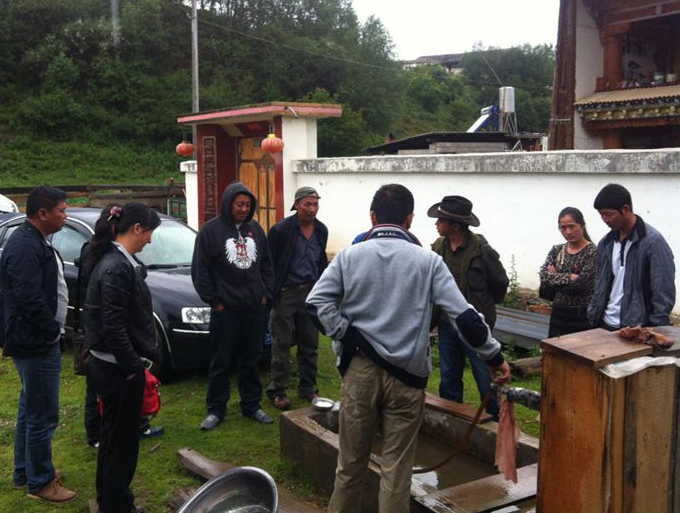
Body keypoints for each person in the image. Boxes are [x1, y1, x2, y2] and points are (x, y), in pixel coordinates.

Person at [306, 184, 510, 513]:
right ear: (410, 219)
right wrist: (494, 356)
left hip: (359, 372)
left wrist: (346, 333)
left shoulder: (349, 256)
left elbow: (316, 304)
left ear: (373, 217)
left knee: (350, 466)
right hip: (408, 379)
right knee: (397, 470)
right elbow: (465, 317)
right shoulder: (429, 261)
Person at [0, 186, 75, 503]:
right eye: (61, 210)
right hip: (35, 342)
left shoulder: (35, 239)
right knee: (43, 415)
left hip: (36, 338)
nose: (65, 215)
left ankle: (25, 471)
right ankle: (40, 482)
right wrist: (52, 331)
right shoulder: (25, 246)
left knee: (30, 409)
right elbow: (29, 298)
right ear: (42, 213)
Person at [83, 203, 161, 513]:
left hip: (113, 366)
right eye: (149, 233)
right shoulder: (115, 266)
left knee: (113, 438)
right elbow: (113, 326)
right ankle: (116, 505)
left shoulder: (117, 261)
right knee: (122, 443)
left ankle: (110, 499)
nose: (150, 241)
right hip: (116, 369)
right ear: (137, 228)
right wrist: (133, 369)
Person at [192, 181, 275, 431]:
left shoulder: (256, 230)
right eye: (239, 204)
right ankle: (216, 409)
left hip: (254, 308)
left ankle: (251, 405)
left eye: (247, 205)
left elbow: (267, 265)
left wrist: (265, 295)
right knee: (221, 360)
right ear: (228, 203)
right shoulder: (210, 231)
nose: (243, 209)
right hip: (225, 310)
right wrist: (215, 301)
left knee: (252, 358)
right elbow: (200, 270)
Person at [428, 195, 509, 422]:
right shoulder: (438, 248)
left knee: (485, 377)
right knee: (449, 377)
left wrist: (485, 306)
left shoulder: (482, 250)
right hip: (447, 325)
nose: (436, 224)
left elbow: (500, 282)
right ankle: (450, 422)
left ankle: (496, 424)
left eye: (441, 220)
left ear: (455, 225)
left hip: (474, 326)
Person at [265, 186, 329, 410]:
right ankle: (278, 390)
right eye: (307, 204)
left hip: (310, 292)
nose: (312, 209)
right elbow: (269, 263)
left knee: (310, 342)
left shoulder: (321, 230)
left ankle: (308, 387)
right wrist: (271, 292)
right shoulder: (281, 230)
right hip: (286, 292)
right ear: (296, 205)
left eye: (315, 204)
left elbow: (321, 261)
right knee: (281, 343)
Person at [588, 184, 675, 330]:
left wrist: (656, 326)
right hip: (604, 324)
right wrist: (594, 313)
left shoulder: (653, 242)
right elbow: (600, 283)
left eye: (609, 214)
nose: (605, 219)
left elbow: (663, 288)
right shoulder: (606, 243)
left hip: (637, 328)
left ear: (626, 209)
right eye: (601, 215)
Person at [539, 207, 597, 337]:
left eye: (572, 226)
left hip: (582, 315)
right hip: (558, 313)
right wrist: (569, 277)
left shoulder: (592, 252)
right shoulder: (557, 250)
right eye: (563, 228)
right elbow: (543, 276)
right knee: (554, 348)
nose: (568, 232)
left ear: (582, 225)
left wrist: (555, 277)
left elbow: (581, 285)